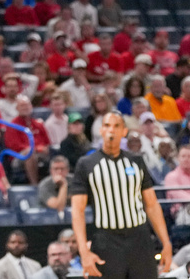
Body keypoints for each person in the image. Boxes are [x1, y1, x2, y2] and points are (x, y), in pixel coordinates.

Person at [71, 110, 173, 279]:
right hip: (106, 240)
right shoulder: (86, 164)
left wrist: (166, 242)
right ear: (101, 130)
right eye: (107, 125)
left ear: (124, 132)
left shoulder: (137, 161)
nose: (111, 130)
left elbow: (152, 205)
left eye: (116, 126)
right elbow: (77, 211)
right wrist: (84, 251)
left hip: (140, 238)